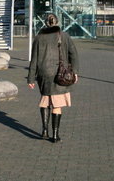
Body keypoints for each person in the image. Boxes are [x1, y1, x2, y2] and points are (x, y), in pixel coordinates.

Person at [27, 13, 79, 143]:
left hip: (44, 74)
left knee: (45, 100)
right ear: (57, 22)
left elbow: (34, 59)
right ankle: (55, 135)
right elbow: (74, 54)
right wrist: (75, 72)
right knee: (57, 104)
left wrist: (31, 78)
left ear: (46, 23)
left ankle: (44, 130)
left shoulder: (38, 38)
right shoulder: (64, 36)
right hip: (60, 74)